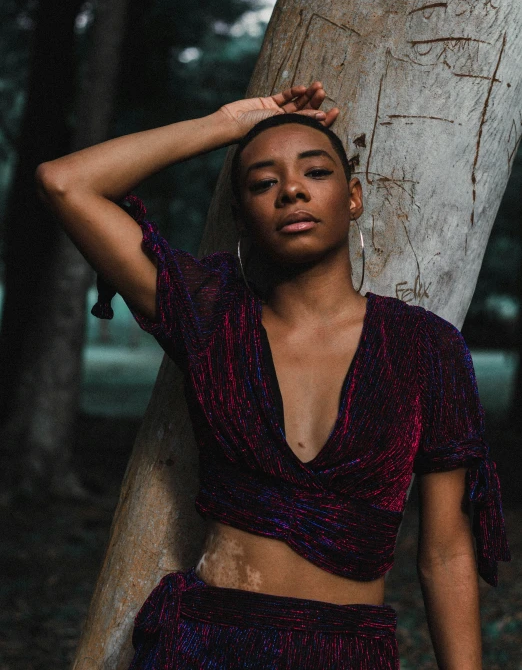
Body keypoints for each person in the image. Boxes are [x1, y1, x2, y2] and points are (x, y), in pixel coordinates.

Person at [36, 82, 510, 669]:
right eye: (263, 183)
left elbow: (446, 553)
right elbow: (65, 181)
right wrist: (227, 124)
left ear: (354, 197)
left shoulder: (425, 348)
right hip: (208, 645)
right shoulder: (212, 318)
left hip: (349, 650)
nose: (291, 190)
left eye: (315, 172)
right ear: (243, 216)